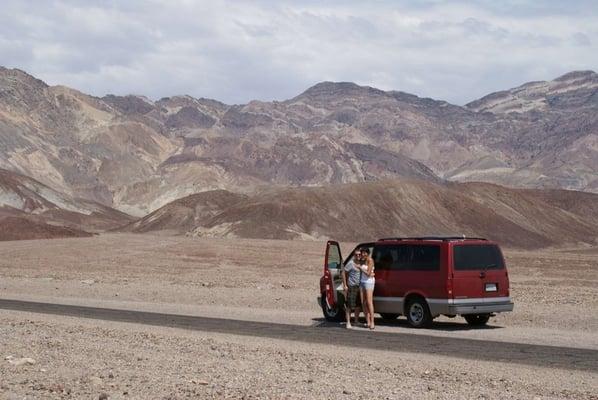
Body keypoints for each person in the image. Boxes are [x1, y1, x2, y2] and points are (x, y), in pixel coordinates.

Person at [342, 250, 362, 329]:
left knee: (358, 305)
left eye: (359, 254)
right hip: (351, 286)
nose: (358, 256)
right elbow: (344, 272)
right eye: (356, 255)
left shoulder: (361, 263)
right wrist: (345, 285)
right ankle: (348, 322)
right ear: (354, 255)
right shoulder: (350, 263)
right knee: (349, 305)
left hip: (359, 287)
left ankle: (356, 321)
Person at [358, 247, 376, 330]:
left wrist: (361, 268)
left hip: (369, 282)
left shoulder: (370, 260)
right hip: (362, 282)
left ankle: (372, 322)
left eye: (365, 252)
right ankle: (368, 321)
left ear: (368, 253)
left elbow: (369, 273)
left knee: (369, 302)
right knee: (363, 302)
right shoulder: (362, 260)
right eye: (362, 253)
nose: (363, 254)